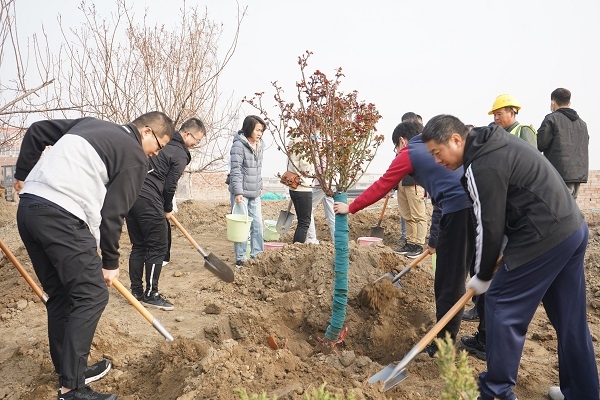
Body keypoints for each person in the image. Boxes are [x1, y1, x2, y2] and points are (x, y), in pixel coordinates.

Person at [422, 114, 599, 400]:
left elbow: (487, 227)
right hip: (571, 229)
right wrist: (496, 257)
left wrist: (481, 276)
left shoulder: (480, 165)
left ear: (455, 140)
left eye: (437, 153)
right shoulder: (497, 144)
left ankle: (496, 393)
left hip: (542, 234)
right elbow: (507, 209)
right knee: (570, 320)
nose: (437, 161)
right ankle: (583, 393)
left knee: (500, 304)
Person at [13, 112, 174, 400]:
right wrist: (110, 263)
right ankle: (72, 389)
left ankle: (69, 370)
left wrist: (22, 176)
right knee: (93, 295)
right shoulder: (135, 155)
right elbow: (113, 214)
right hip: (62, 214)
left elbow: (37, 131)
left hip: (29, 208)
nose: (154, 155)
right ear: (147, 132)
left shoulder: (89, 124)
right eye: (159, 146)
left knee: (62, 295)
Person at [334, 121, 474, 354]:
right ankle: (484, 339)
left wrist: (351, 207)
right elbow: (442, 196)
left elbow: (382, 185)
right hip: (476, 206)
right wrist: (433, 240)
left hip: (460, 212)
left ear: (401, 141)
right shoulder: (434, 150)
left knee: (449, 283)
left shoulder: (409, 153)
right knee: (480, 274)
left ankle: (443, 346)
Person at [126, 117, 205, 310]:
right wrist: (167, 207)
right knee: (158, 247)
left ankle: (136, 291)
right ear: (187, 134)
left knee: (139, 245)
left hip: (130, 195)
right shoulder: (179, 153)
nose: (196, 144)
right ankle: (151, 294)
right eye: (197, 139)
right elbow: (170, 185)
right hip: (149, 198)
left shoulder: (163, 144)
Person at [537, 88, 589, 200]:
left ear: (552, 101)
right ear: (569, 103)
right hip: (578, 174)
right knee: (570, 209)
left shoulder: (551, 119)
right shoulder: (582, 124)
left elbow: (540, 144)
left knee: (558, 209)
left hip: (559, 173)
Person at [229, 115, 265, 267]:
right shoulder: (238, 145)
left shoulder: (260, 144)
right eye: (257, 130)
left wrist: (259, 185)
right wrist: (238, 192)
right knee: (241, 227)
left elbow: (258, 169)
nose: (260, 133)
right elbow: (235, 170)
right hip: (241, 193)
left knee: (257, 224)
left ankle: (257, 256)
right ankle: (241, 258)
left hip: (254, 192)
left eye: (261, 131)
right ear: (249, 128)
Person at [394, 112, 427, 258]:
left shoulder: (420, 142)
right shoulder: (402, 144)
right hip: (402, 182)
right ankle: (410, 242)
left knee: (418, 215)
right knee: (407, 215)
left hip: (414, 183)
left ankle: (418, 245)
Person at [287, 136, 315, 243]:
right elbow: (305, 166)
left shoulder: (293, 141)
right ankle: (297, 248)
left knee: (301, 222)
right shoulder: (304, 143)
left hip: (294, 186)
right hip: (303, 187)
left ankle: (296, 247)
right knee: (304, 223)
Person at [305, 177, 335, 244]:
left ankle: (311, 238)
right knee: (331, 212)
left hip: (322, 183)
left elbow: (321, 168)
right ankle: (336, 238)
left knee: (307, 208)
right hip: (332, 183)